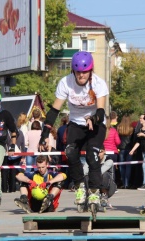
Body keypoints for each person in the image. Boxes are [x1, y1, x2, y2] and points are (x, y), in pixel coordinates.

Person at [38, 51, 108, 209]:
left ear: (90, 71)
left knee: (93, 154)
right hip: (76, 123)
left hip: (96, 122)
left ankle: (95, 191)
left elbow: (101, 111)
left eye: (84, 72)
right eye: (78, 72)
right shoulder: (66, 82)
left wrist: (94, 119)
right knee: (69, 152)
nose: (81, 76)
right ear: (73, 71)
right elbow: (54, 110)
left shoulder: (98, 83)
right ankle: (80, 187)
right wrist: (44, 134)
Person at [129, 114, 145, 190]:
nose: (140, 120)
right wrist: (132, 150)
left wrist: (144, 135)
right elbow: (138, 142)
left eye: (142, 118)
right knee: (144, 166)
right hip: (143, 150)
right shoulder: (140, 129)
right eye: (140, 118)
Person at [117, 115, 134, 190]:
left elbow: (118, 139)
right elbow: (133, 139)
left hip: (121, 148)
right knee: (128, 166)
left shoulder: (119, 128)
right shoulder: (131, 128)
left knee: (121, 166)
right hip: (129, 148)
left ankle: (123, 182)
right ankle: (127, 183)